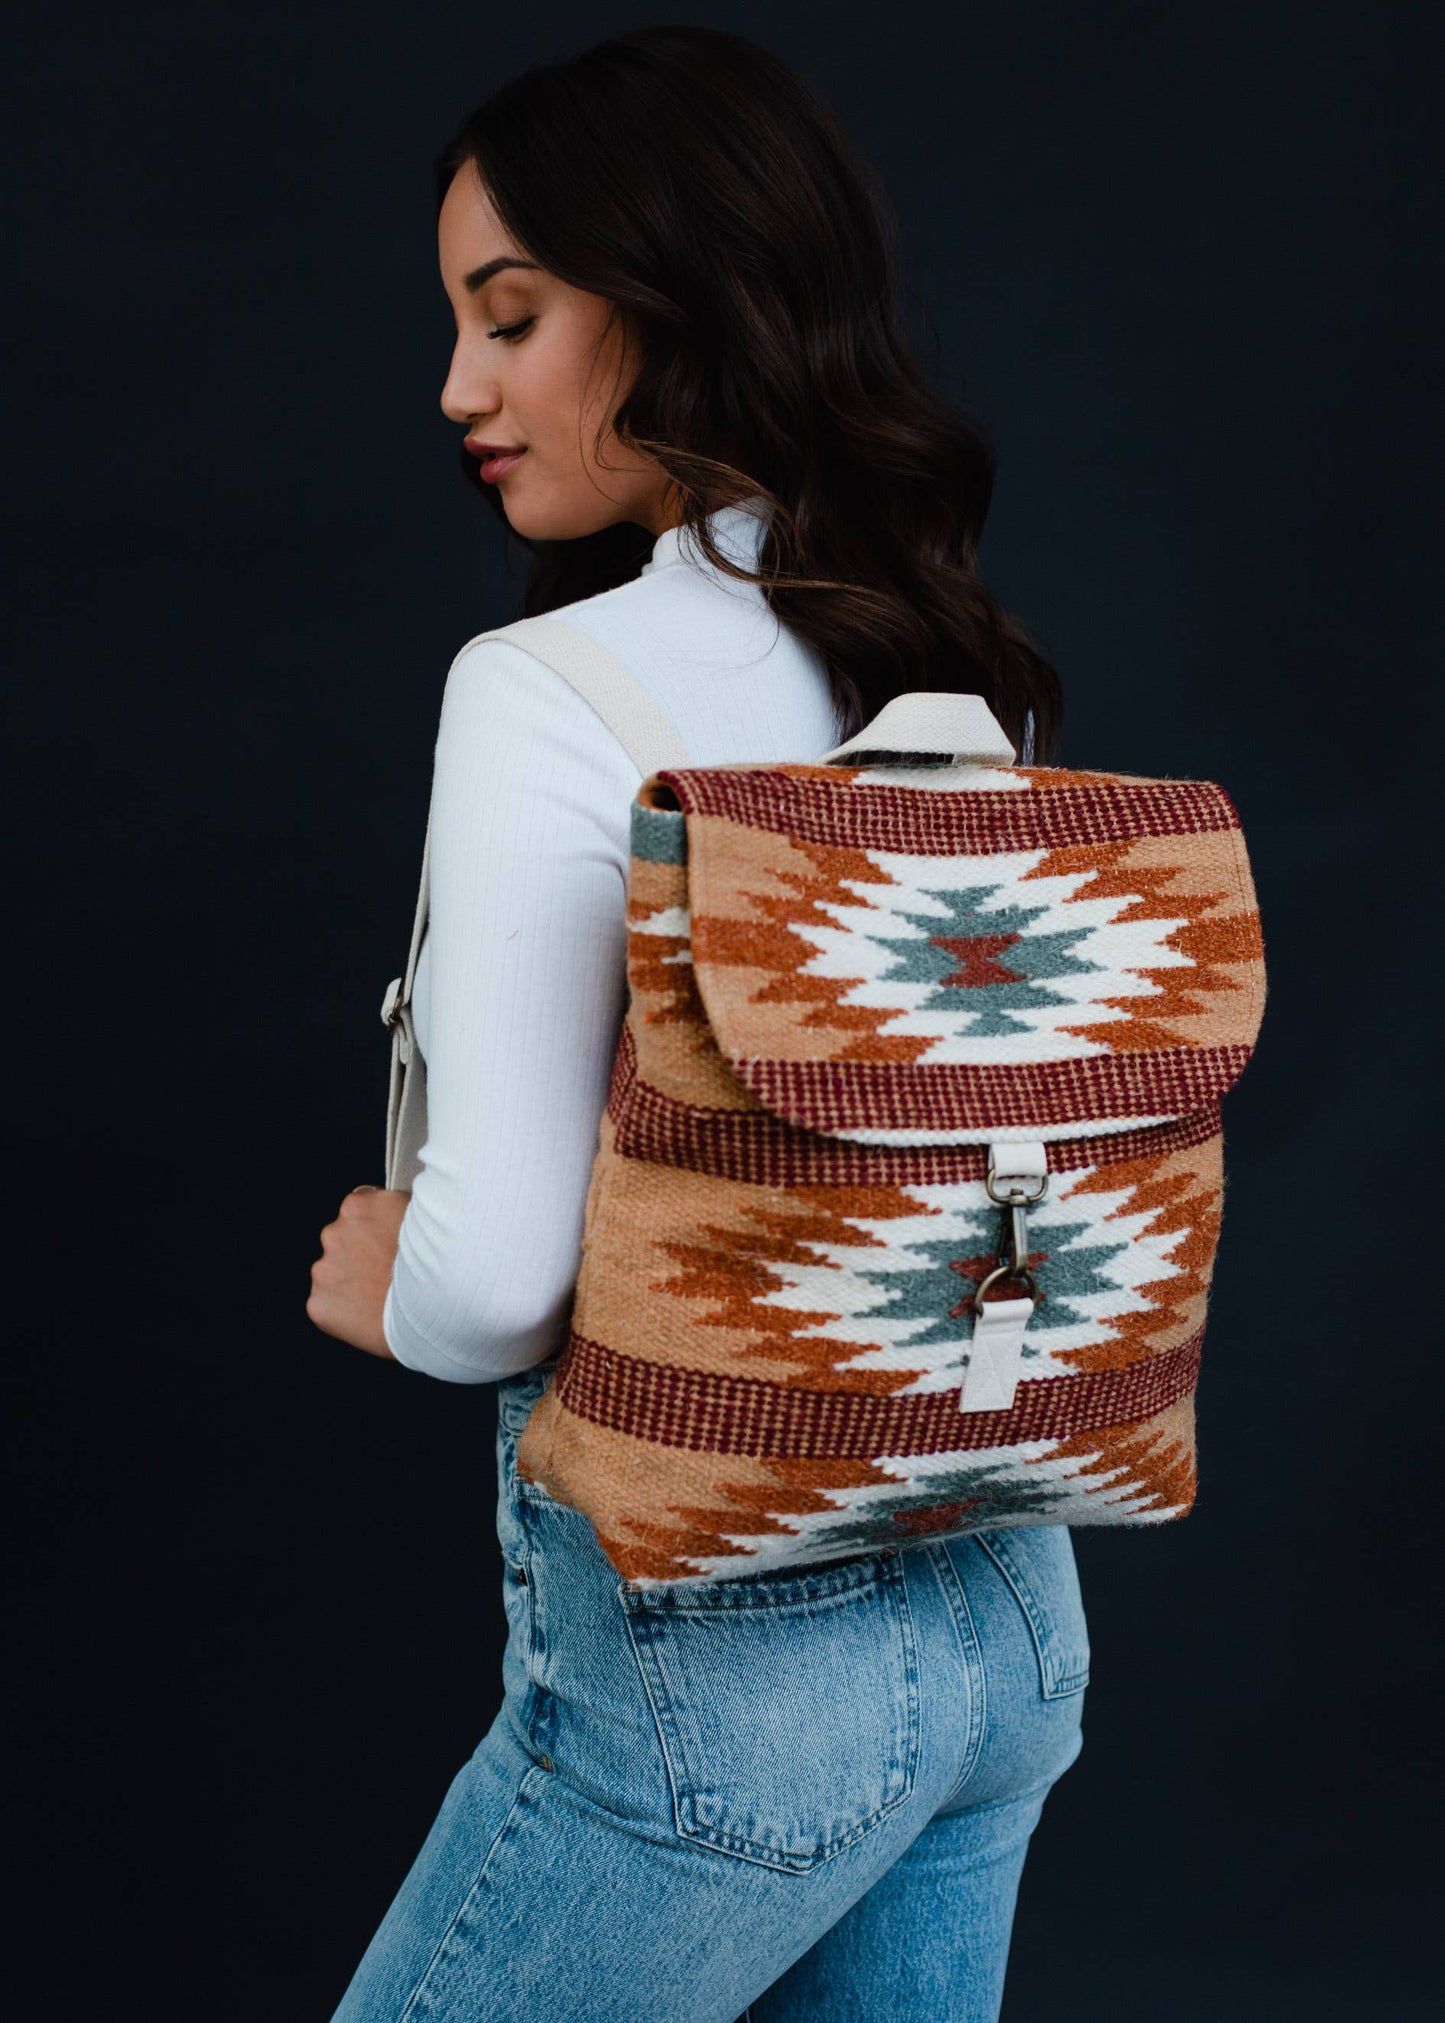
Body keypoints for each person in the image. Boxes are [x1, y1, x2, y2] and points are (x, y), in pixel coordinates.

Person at [309, 27, 1086, 2022]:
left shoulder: (550, 688)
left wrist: (387, 1278)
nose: (462, 388)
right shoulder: (948, 666)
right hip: (1008, 1602)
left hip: (717, 1691)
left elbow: (491, 1287)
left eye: (514, 314)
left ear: (670, 304)